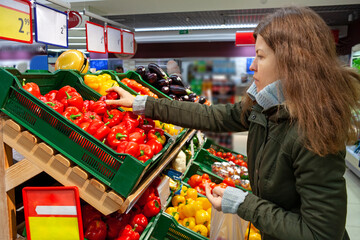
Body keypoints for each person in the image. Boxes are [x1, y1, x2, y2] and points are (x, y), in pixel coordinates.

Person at [105, 6, 360, 240]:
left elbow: (321, 234)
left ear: (292, 62)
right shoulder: (267, 108)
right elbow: (212, 116)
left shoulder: (314, 133)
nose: (252, 66)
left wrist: (243, 204)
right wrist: (144, 105)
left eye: (260, 56)